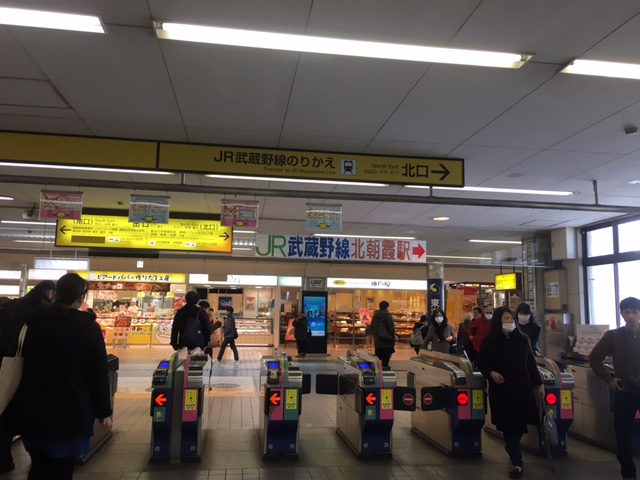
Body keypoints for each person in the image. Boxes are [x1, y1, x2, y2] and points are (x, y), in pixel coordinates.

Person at [14, 273, 112, 480]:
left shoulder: (33, 323)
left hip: (33, 410)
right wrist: (103, 410)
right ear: (81, 297)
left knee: (38, 468)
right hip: (70, 412)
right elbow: (98, 372)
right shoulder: (87, 328)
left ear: (56, 294)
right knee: (62, 470)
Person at [476, 307, 544, 479]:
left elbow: (530, 364)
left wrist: (539, 384)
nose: (509, 322)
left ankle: (511, 445)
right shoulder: (490, 341)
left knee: (520, 423)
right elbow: (482, 362)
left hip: (522, 388)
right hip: (502, 389)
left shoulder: (522, 339)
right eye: (505, 319)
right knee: (509, 425)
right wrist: (491, 373)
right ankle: (517, 462)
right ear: (499, 321)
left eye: (511, 319)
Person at [0, 280, 56, 474]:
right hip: (31, 370)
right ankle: (36, 459)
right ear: (50, 293)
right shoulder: (44, 312)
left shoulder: (13, 306)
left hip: (6, 366)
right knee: (32, 416)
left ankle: (4, 460)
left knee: (4, 412)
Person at [590, 297, 640, 480]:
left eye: (635, 311)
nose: (631, 316)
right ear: (622, 314)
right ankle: (628, 474)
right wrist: (608, 379)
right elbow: (594, 358)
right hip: (624, 392)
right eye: (627, 312)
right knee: (623, 436)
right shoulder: (613, 336)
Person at [371, 301, 395, 368]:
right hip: (386, 340)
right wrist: (392, 337)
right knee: (386, 356)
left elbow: (372, 327)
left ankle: (377, 369)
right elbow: (391, 328)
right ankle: (385, 368)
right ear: (387, 307)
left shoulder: (375, 316)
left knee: (378, 356)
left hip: (378, 341)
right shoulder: (387, 316)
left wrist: (376, 335)